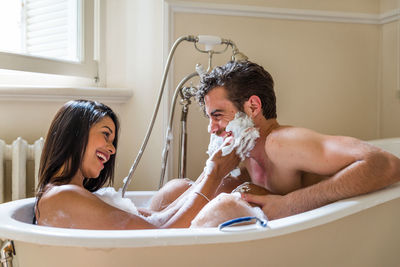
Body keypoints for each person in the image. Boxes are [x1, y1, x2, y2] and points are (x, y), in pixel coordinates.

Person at [193, 60, 400, 220]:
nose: (211, 128)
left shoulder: (280, 143)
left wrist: (290, 204)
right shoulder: (245, 151)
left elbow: (387, 164)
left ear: (253, 108)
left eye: (218, 116)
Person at [34, 99, 261, 230]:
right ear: (75, 135)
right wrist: (214, 174)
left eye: (112, 141)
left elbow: (155, 222)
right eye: (105, 135)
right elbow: (161, 237)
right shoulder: (62, 197)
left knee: (180, 187)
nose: (112, 149)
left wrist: (210, 171)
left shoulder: (77, 194)